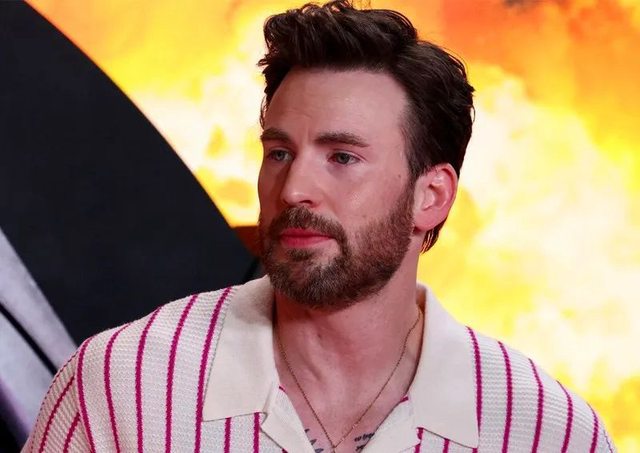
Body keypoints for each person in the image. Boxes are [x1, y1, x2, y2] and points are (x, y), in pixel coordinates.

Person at [24, 1, 615, 452]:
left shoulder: (546, 432)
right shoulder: (122, 387)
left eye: (342, 157)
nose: (293, 188)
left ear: (431, 196)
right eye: (279, 153)